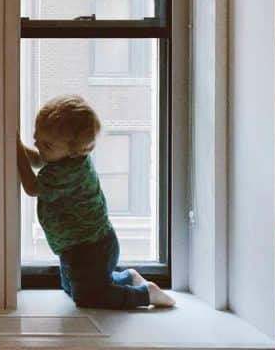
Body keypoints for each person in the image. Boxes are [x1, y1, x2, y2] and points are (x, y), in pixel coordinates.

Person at [17, 95, 175, 309]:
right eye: (37, 138)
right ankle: (128, 277)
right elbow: (38, 158)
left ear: (74, 150)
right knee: (73, 288)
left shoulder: (68, 173)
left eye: (46, 145)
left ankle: (145, 295)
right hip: (77, 245)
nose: (38, 145)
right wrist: (17, 145)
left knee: (88, 297)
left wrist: (16, 150)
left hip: (91, 247)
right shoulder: (65, 156)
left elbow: (31, 187)